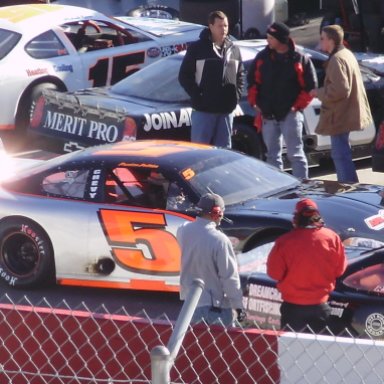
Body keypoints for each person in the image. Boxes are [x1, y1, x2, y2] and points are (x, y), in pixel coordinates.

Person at [247, 22, 318, 179]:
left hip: (290, 115)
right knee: (272, 157)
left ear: (281, 39)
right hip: (268, 116)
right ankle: (278, 193)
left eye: (271, 37)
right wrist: (255, 104)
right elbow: (251, 82)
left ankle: (303, 191)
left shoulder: (299, 58)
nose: (268, 40)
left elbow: (310, 88)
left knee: (296, 155)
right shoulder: (262, 57)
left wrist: (296, 107)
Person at [266, 198, 347, 333]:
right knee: (319, 351)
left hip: (292, 309)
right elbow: (339, 270)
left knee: (291, 350)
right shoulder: (332, 238)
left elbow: (274, 273)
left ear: (296, 218)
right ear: (317, 216)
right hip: (321, 307)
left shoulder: (284, 242)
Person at [310, 25, 372, 183]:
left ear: (331, 40)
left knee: (340, 154)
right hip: (346, 113)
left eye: (323, 38)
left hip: (340, 115)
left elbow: (341, 89)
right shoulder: (345, 54)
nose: (320, 41)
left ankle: (348, 188)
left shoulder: (337, 59)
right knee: (343, 153)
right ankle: (350, 187)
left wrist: (319, 92)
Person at [176, 193, 246, 326]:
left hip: (189, 305)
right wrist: (238, 306)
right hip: (214, 307)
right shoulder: (220, 240)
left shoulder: (183, 230)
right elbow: (229, 277)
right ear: (217, 213)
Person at [178, 10, 245, 149]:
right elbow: (184, 76)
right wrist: (198, 95)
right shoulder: (197, 48)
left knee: (224, 152)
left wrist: (235, 96)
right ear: (211, 26)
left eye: (226, 25)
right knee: (199, 151)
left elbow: (240, 75)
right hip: (204, 111)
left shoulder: (234, 49)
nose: (224, 29)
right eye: (220, 26)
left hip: (226, 111)